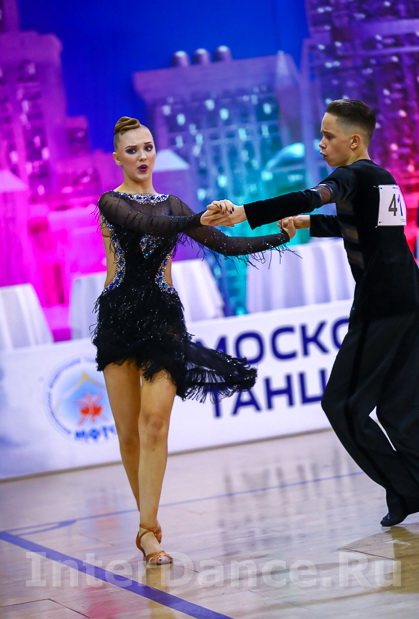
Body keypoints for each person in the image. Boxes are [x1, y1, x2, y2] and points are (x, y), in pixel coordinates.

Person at [203, 99, 419, 527]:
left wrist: (246, 213)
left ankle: (407, 490)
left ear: (354, 140)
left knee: (342, 406)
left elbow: (313, 196)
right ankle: (414, 487)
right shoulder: (382, 178)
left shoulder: (350, 175)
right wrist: (310, 223)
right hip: (412, 302)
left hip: (382, 307)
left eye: (328, 136)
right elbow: (368, 229)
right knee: (401, 414)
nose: (320, 144)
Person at [92, 116, 292, 565]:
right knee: (128, 436)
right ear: (117, 157)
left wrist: (279, 235)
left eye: (148, 147)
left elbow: (226, 244)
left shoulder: (173, 205)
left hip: (164, 320)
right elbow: (145, 224)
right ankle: (146, 525)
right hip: (118, 320)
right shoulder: (111, 202)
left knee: (154, 423)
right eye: (132, 150)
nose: (142, 156)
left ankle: (148, 532)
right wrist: (195, 217)